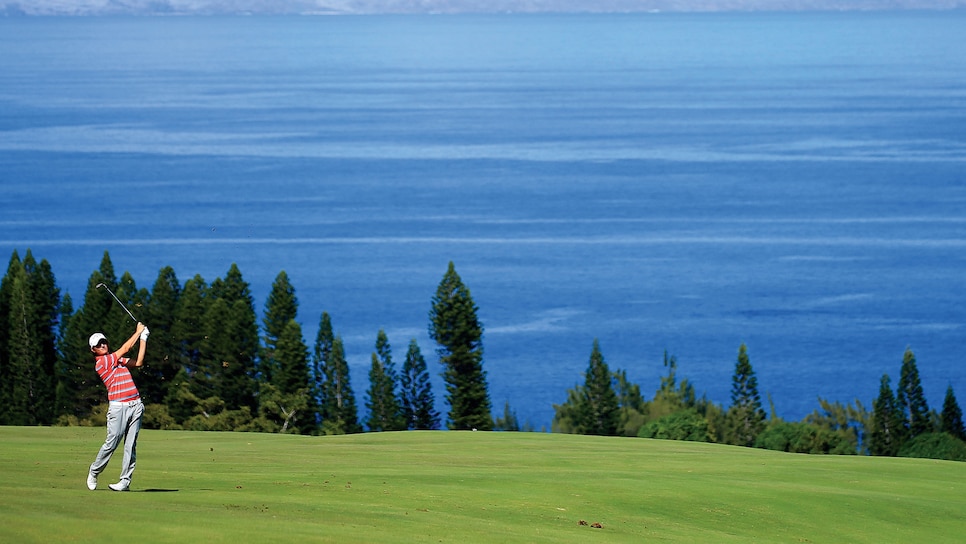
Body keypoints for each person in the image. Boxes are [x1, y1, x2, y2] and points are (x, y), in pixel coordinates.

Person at [86, 322, 149, 492]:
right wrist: (138, 331)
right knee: (112, 443)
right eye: (99, 345)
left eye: (104, 342)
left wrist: (143, 338)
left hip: (135, 404)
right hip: (118, 408)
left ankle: (125, 481)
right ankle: (94, 471)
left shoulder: (117, 359)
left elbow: (139, 362)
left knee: (130, 445)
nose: (103, 345)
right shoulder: (102, 363)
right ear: (94, 350)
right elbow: (126, 347)